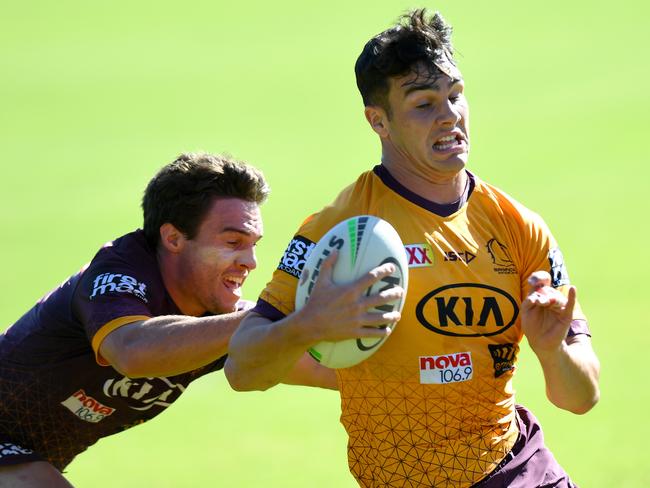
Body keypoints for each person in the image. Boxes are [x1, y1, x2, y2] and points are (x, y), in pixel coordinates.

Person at [225, 9, 601, 487]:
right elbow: (243, 368)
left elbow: (580, 396)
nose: (450, 116)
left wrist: (552, 351)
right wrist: (309, 324)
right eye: (424, 104)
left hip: (515, 472)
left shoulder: (519, 227)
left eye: (455, 95)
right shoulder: (340, 229)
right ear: (378, 121)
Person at [0, 153, 272, 487]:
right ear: (173, 238)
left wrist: (333, 325)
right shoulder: (118, 274)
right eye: (233, 242)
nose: (251, 261)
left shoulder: (217, 316)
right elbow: (132, 350)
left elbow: (311, 362)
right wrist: (267, 316)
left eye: (253, 246)